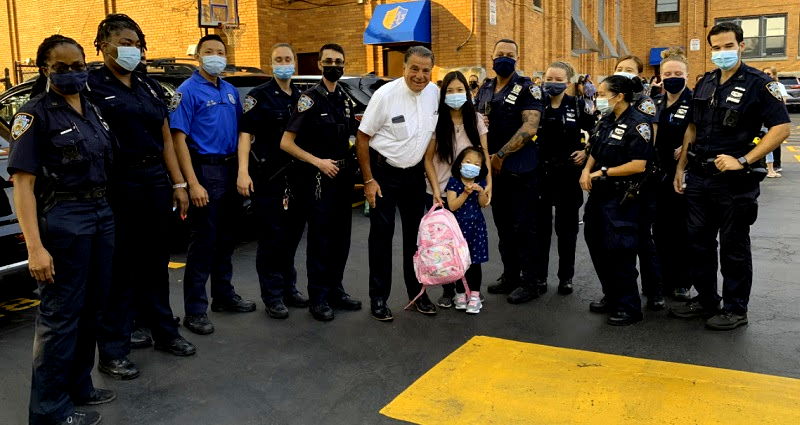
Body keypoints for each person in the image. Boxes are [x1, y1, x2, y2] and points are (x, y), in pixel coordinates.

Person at [10, 35, 115, 425]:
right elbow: (23, 185)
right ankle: (49, 412)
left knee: (92, 306)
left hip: (100, 211)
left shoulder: (91, 108)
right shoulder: (36, 115)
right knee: (60, 317)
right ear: (45, 69)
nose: (72, 73)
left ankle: (79, 385)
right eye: (62, 67)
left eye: (78, 66)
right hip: (64, 218)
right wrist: (35, 248)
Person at [87, 14, 196, 382]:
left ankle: (164, 331)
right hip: (117, 183)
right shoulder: (90, 86)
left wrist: (179, 184)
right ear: (102, 44)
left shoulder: (148, 86)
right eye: (122, 41)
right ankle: (114, 350)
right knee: (119, 268)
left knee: (155, 262)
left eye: (135, 42)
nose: (131, 48)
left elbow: (166, 138)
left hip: (154, 181)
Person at [671, 22, 791, 330]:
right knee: (698, 242)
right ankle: (707, 299)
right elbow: (692, 128)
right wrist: (681, 168)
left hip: (734, 183)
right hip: (699, 177)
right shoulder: (707, 82)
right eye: (717, 48)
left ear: (741, 45)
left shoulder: (759, 83)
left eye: (728, 46)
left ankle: (736, 308)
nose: (722, 53)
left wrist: (744, 159)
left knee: (734, 247)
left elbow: (781, 128)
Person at [170, 34, 256, 335]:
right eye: (209, 52)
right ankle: (195, 310)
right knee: (203, 243)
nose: (216, 56)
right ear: (198, 57)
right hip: (204, 172)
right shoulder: (187, 91)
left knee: (226, 239)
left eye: (220, 52)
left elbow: (243, 132)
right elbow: (178, 139)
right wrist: (191, 183)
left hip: (230, 168)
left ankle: (223, 295)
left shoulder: (231, 90)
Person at [279, 43, 363, 321]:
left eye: (339, 61)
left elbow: (353, 134)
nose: (334, 66)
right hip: (318, 179)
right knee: (320, 240)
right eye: (329, 61)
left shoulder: (345, 98)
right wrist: (317, 161)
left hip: (342, 176)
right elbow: (286, 143)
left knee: (341, 239)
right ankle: (318, 297)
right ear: (319, 64)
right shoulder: (309, 99)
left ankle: (335, 290)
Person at [356, 45, 439, 321]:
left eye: (425, 70)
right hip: (384, 175)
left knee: (416, 240)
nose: (419, 75)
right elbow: (363, 138)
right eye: (414, 68)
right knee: (381, 236)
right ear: (403, 67)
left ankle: (418, 294)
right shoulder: (385, 96)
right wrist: (368, 180)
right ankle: (378, 298)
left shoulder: (434, 94)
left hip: (414, 176)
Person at [236, 43, 310, 319]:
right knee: (270, 239)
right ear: (271, 63)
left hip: (296, 177)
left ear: (294, 63)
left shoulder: (301, 96)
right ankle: (273, 295)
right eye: (278, 59)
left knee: (291, 237)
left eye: (288, 59)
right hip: (268, 177)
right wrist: (243, 171)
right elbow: (245, 135)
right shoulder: (259, 96)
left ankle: (289, 288)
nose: (284, 63)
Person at [580, 75, 654, 326]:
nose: (598, 98)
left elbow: (639, 164)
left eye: (602, 93)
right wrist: (585, 170)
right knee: (596, 244)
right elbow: (595, 150)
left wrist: (602, 172)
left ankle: (629, 306)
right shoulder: (606, 119)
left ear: (619, 96)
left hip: (621, 197)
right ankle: (611, 295)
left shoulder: (639, 123)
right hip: (598, 196)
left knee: (620, 251)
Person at [476, 39, 544, 303]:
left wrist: (501, 154)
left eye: (510, 55)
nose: (504, 58)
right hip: (493, 170)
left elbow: (530, 127)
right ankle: (511, 275)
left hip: (520, 168)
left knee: (524, 227)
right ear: (491, 57)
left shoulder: (528, 88)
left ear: (517, 58)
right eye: (500, 54)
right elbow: (476, 116)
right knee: (503, 225)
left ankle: (531, 281)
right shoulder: (486, 87)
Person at [423, 70, 490, 308]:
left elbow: (484, 154)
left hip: (469, 192)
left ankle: (471, 290)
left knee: (469, 243)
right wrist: (434, 192)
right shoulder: (436, 121)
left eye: (459, 90)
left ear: (467, 92)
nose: (455, 95)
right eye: (449, 91)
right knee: (444, 246)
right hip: (441, 194)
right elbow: (428, 160)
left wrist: (488, 184)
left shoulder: (477, 121)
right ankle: (448, 289)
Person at [533, 61, 595, 295]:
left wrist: (586, 151)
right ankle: (539, 277)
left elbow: (598, 130)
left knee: (567, 230)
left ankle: (565, 277)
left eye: (559, 80)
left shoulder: (578, 106)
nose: (554, 83)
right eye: (550, 78)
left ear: (568, 83)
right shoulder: (536, 105)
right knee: (540, 230)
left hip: (568, 176)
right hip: (541, 175)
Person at [614, 54, 663, 310]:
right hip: (614, 181)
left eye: (629, 70)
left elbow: (648, 143)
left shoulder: (645, 104)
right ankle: (617, 291)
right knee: (618, 243)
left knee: (642, 238)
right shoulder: (611, 102)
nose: (624, 72)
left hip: (639, 181)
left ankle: (654, 290)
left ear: (639, 75)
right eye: (620, 69)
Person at [652, 48, 693, 301]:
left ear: (687, 75)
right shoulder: (655, 101)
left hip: (682, 175)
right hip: (657, 175)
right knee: (660, 230)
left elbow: (700, 132)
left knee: (681, 231)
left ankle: (682, 281)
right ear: (660, 75)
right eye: (668, 73)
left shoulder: (694, 102)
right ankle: (662, 278)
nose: (673, 77)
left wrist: (688, 150)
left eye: (678, 73)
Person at [445, 147, 491, 314]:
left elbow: (484, 203)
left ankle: (475, 295)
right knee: (459, 262)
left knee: (475, 262)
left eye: (477, 164)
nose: (472, 166)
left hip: (476, 228)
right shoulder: (454, 182)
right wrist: (465, 193)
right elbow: (452, 205)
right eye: (468, 162)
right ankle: (460, 293)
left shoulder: (481, 183)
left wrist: (480, 192)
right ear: (460, 164)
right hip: (458, 229)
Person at [762, 67, 787, 173]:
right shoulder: (760, 85)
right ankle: (765, 164)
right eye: (764, 74)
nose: (766, 76)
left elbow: (783, 100)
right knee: (762, 141)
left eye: (769, 74)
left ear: (774, 75)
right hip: (763, 118)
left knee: (775, 142)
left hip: (775, 118)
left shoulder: (779, 86)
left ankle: (776, 164)